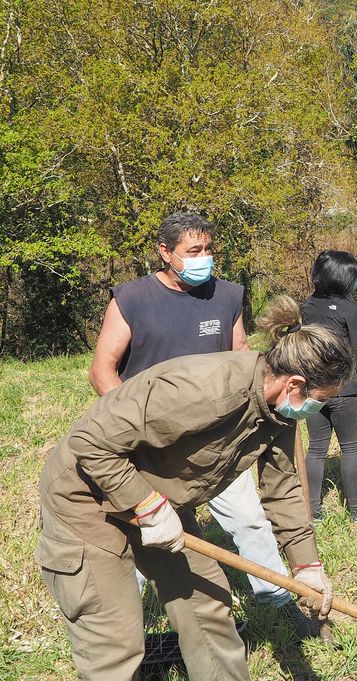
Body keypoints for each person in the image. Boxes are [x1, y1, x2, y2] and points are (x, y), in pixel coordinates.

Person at [38, 295, 351, 681]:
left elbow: (282, 487)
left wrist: (307, 565)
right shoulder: (202, 391)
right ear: (295, 384)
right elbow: (90, 445)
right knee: (115, 643)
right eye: (320, 399)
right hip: (87, 503)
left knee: (207, 606)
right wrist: (147, 505)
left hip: (156, 497)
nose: (316, 410)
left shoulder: (277, 412)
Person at [87, 211, 294, 607]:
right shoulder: (131, 299)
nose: (203, 257)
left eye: (208, 249)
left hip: (217, 439)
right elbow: (102, 372)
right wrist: (137, 429)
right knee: (142, 532)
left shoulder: (228, 295)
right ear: (165, 252)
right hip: (152, 444)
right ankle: (129, 614)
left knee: (250, 518)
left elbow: (240, 356)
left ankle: (278, 600)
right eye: (192, 250)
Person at [300, 250, 357, 522]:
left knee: (316, 448)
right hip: (343, 389)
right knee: (350, 448)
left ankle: (311, 510)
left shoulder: (306, 306)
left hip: (312, 387)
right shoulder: (352, 310)